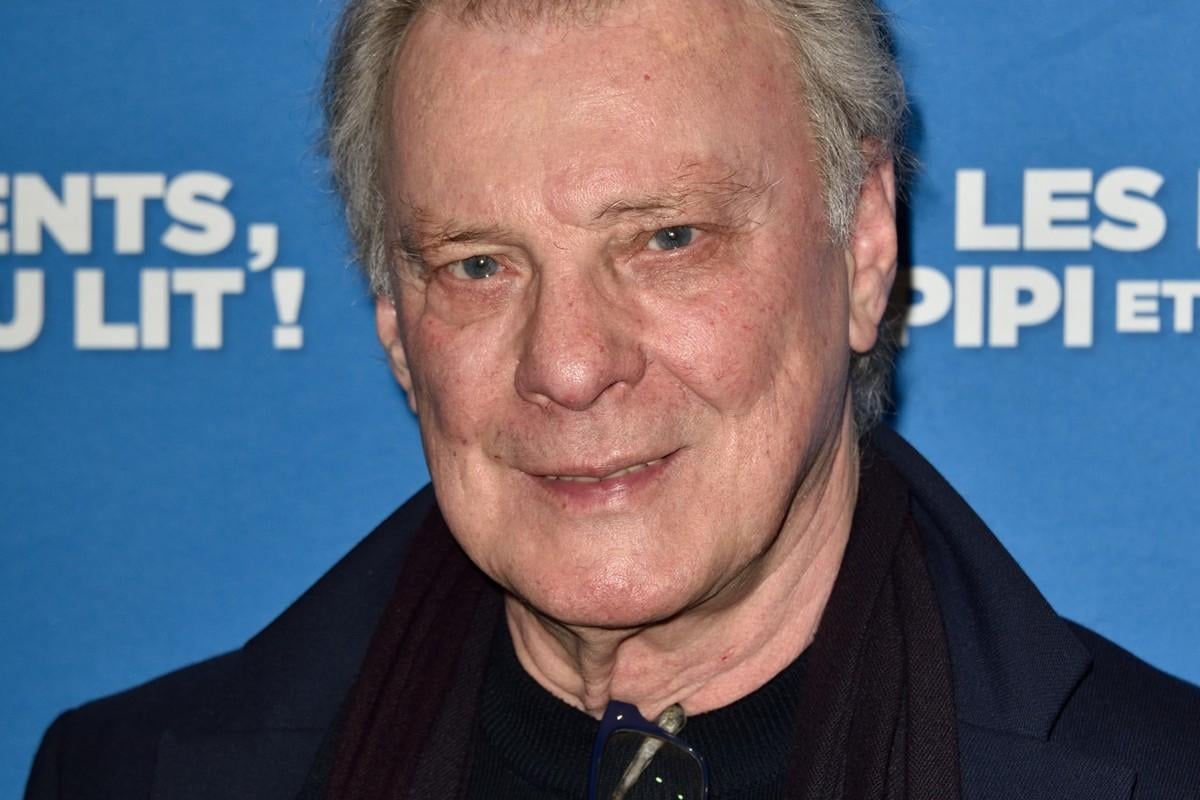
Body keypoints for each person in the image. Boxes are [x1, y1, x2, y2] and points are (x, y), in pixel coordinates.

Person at [25, 0, 1200, 798]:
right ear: (394, 320)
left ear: (863, 247)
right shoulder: (118, 775)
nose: (571, 364)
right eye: (477, 263)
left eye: (667, 237)